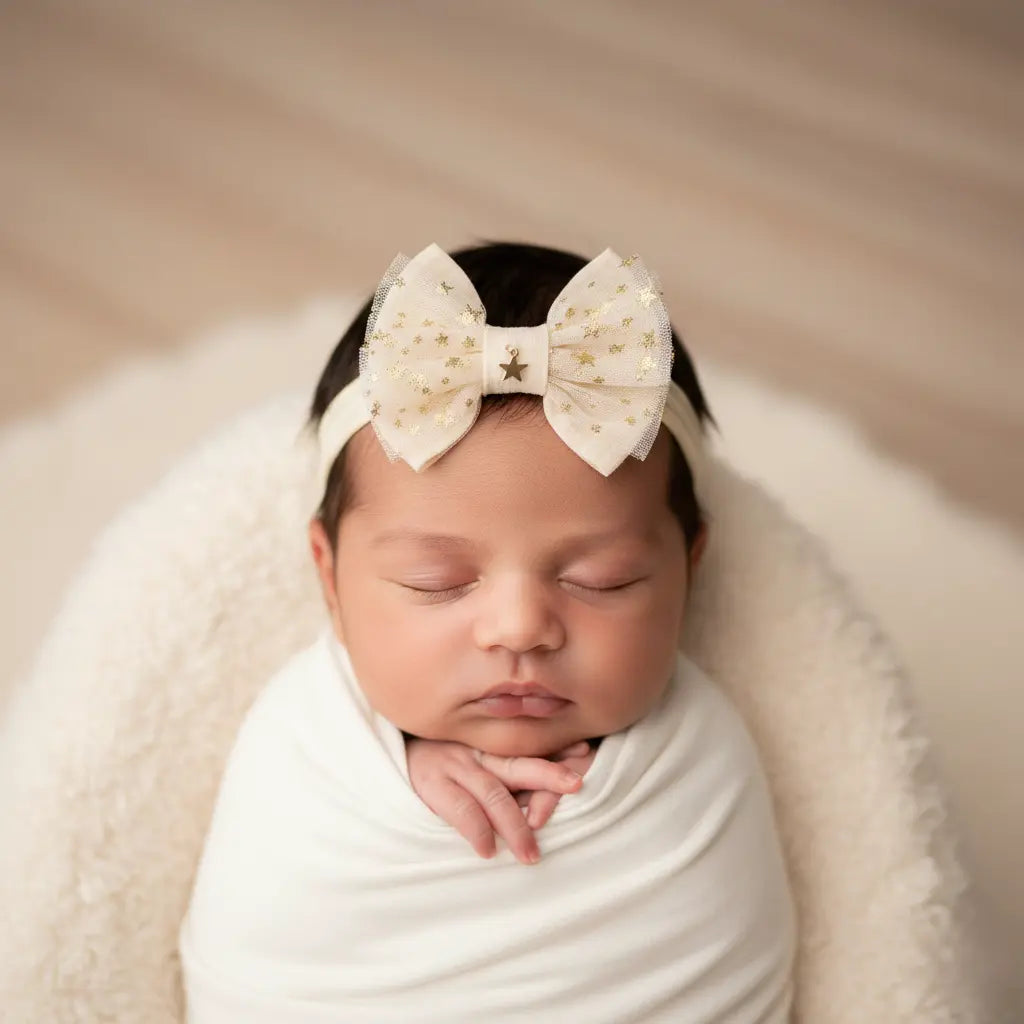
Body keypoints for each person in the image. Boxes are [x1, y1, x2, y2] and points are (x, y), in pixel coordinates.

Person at [179, 242, 797, 1022]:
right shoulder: (307, 742)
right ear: (328, 579)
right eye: (435, 583)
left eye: (600, 580)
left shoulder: (702, 753)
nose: (520, 629)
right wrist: (398, 765)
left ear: (690, 570)